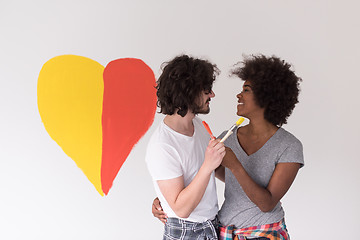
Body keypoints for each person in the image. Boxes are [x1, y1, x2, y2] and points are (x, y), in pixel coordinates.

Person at [153, 54, 304, 240]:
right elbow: (203, 172)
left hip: (265, 233)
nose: (239, 95)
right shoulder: (229, 137)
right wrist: (164, 199)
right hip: (223, 231)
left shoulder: (289, 146)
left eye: (246, 90)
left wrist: (235, 165)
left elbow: (267, 204)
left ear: (266, 96)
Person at [145, 54, 226, 240]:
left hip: (211, 225)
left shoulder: (198, 125)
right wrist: (208, 166)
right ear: (188, 92)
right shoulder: (162, 145)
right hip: (187, 232)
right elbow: (181, 209)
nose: (212, 95)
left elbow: (212, 170)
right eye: (207, 90)